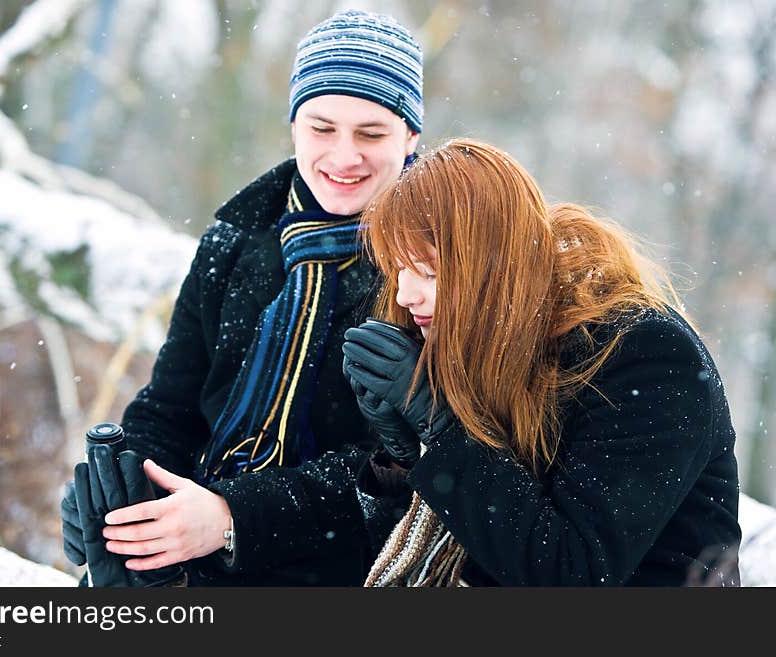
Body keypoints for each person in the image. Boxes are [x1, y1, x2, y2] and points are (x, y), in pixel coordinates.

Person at [60, 9, 424, 586]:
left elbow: (402, 467)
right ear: (294, 126)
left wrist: (234, 518)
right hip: (197, 561)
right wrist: (120, 496)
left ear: (411, 136)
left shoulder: (431, 264)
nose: (344, 156)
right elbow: (170, 407)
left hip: (344, 575)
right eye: (322, 128)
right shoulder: (233, 244)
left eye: (372, 133)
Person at [341, 138, 742, 586]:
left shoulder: (646, 355)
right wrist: (402, 457)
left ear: (495, 266)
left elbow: (570, 572)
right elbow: (431, 547)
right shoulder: (478, 342)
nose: (404, 295)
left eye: (430, 272)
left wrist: (442, 429)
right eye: (398, 270)